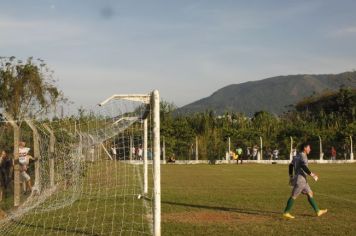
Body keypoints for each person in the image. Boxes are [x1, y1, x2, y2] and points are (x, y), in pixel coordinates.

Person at [283, 142, 327, 219]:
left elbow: (290, 165)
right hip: (301, 180)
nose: (310, 149)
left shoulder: (297, 155)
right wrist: (312, 175)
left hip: (302, 179)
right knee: (294, 196)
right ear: (305, 148)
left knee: (310, 193)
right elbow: (303, 166)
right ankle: (286, 212)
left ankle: (318, 211)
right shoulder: (303, 156)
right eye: (309, 148)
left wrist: (291, 176)